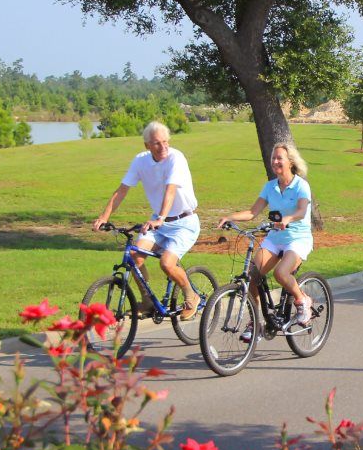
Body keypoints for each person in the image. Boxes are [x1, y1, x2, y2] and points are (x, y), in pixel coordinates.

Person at [93, 120, 201, 319]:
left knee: (167, 264)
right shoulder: (140, 161)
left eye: (165, 141)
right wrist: (104, 217)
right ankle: (148, 301)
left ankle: (191, 295)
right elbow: (122, 190)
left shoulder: (176, 158)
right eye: (157, 143)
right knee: (134, 256)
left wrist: (160, 218)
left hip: (184, 223)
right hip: (158, 222)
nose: (163, 147)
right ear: (147, 145)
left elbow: (170, 190)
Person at [217, 142, 315, 338]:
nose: (275, 161)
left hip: (298, 238)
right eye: (273, 158)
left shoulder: (301, 185)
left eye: (279, 158)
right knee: (252, 276)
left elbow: (302, 211)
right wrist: (230, 217)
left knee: (281, 273)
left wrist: (288, 219)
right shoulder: (270, 186)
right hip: (275, 237)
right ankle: (257, 322)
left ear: (290, 162)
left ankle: (302, 300)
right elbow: (252, 212)